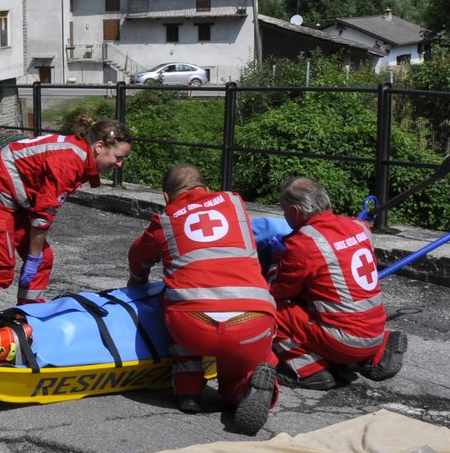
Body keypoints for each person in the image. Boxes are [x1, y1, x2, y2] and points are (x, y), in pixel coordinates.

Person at [127, 164, 278, 434]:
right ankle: (247, 387)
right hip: (252, 320)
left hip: (193, 325)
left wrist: (137, 280)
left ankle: (188, 391)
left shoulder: (164, 220)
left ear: (165, 196)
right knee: (242, 369)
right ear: (207, 189)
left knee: (172, 299)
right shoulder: (235, 203)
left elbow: (138, 256)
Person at [0, 116, 133, 306]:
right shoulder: (70, 162)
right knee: (1, 269)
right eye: (118, 157)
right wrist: (32, 257)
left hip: (9, 199)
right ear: (99, 147)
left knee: (43, 259)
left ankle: (28, 314)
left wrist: (36, 258)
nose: (120, 164)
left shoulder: (78, 152)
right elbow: (42, 216)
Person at [269, 176, 407, 388]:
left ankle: (309, 370)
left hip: (342, 340)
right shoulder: (359, 227)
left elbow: (280, 291)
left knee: (270, 308)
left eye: (285, 211)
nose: (285, 216)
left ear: (295, 211)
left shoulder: (304, 243)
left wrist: (274, 268)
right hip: (375, 329)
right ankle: (376, 353)